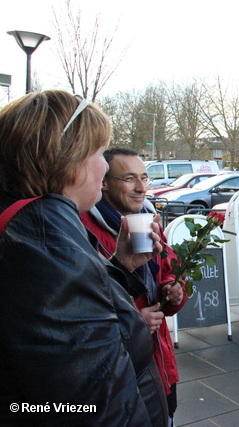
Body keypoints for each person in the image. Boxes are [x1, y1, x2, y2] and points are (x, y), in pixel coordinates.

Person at [0, 90, 168, 426]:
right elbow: (93, 404)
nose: (104, 167)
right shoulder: (47, 244)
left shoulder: (39, 229)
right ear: (69, 159)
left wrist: (119, 268)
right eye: (100, 153)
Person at [80, 147, 186, 425]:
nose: (141, 188)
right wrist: (132, 323)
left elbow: (170, 270)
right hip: (119, 371)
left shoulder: (149, 218)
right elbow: (79, 308)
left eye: (144, 178)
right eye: (129, 178)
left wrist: (173, 289)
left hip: (160, 363)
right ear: (104, 180)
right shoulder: (84, 228)